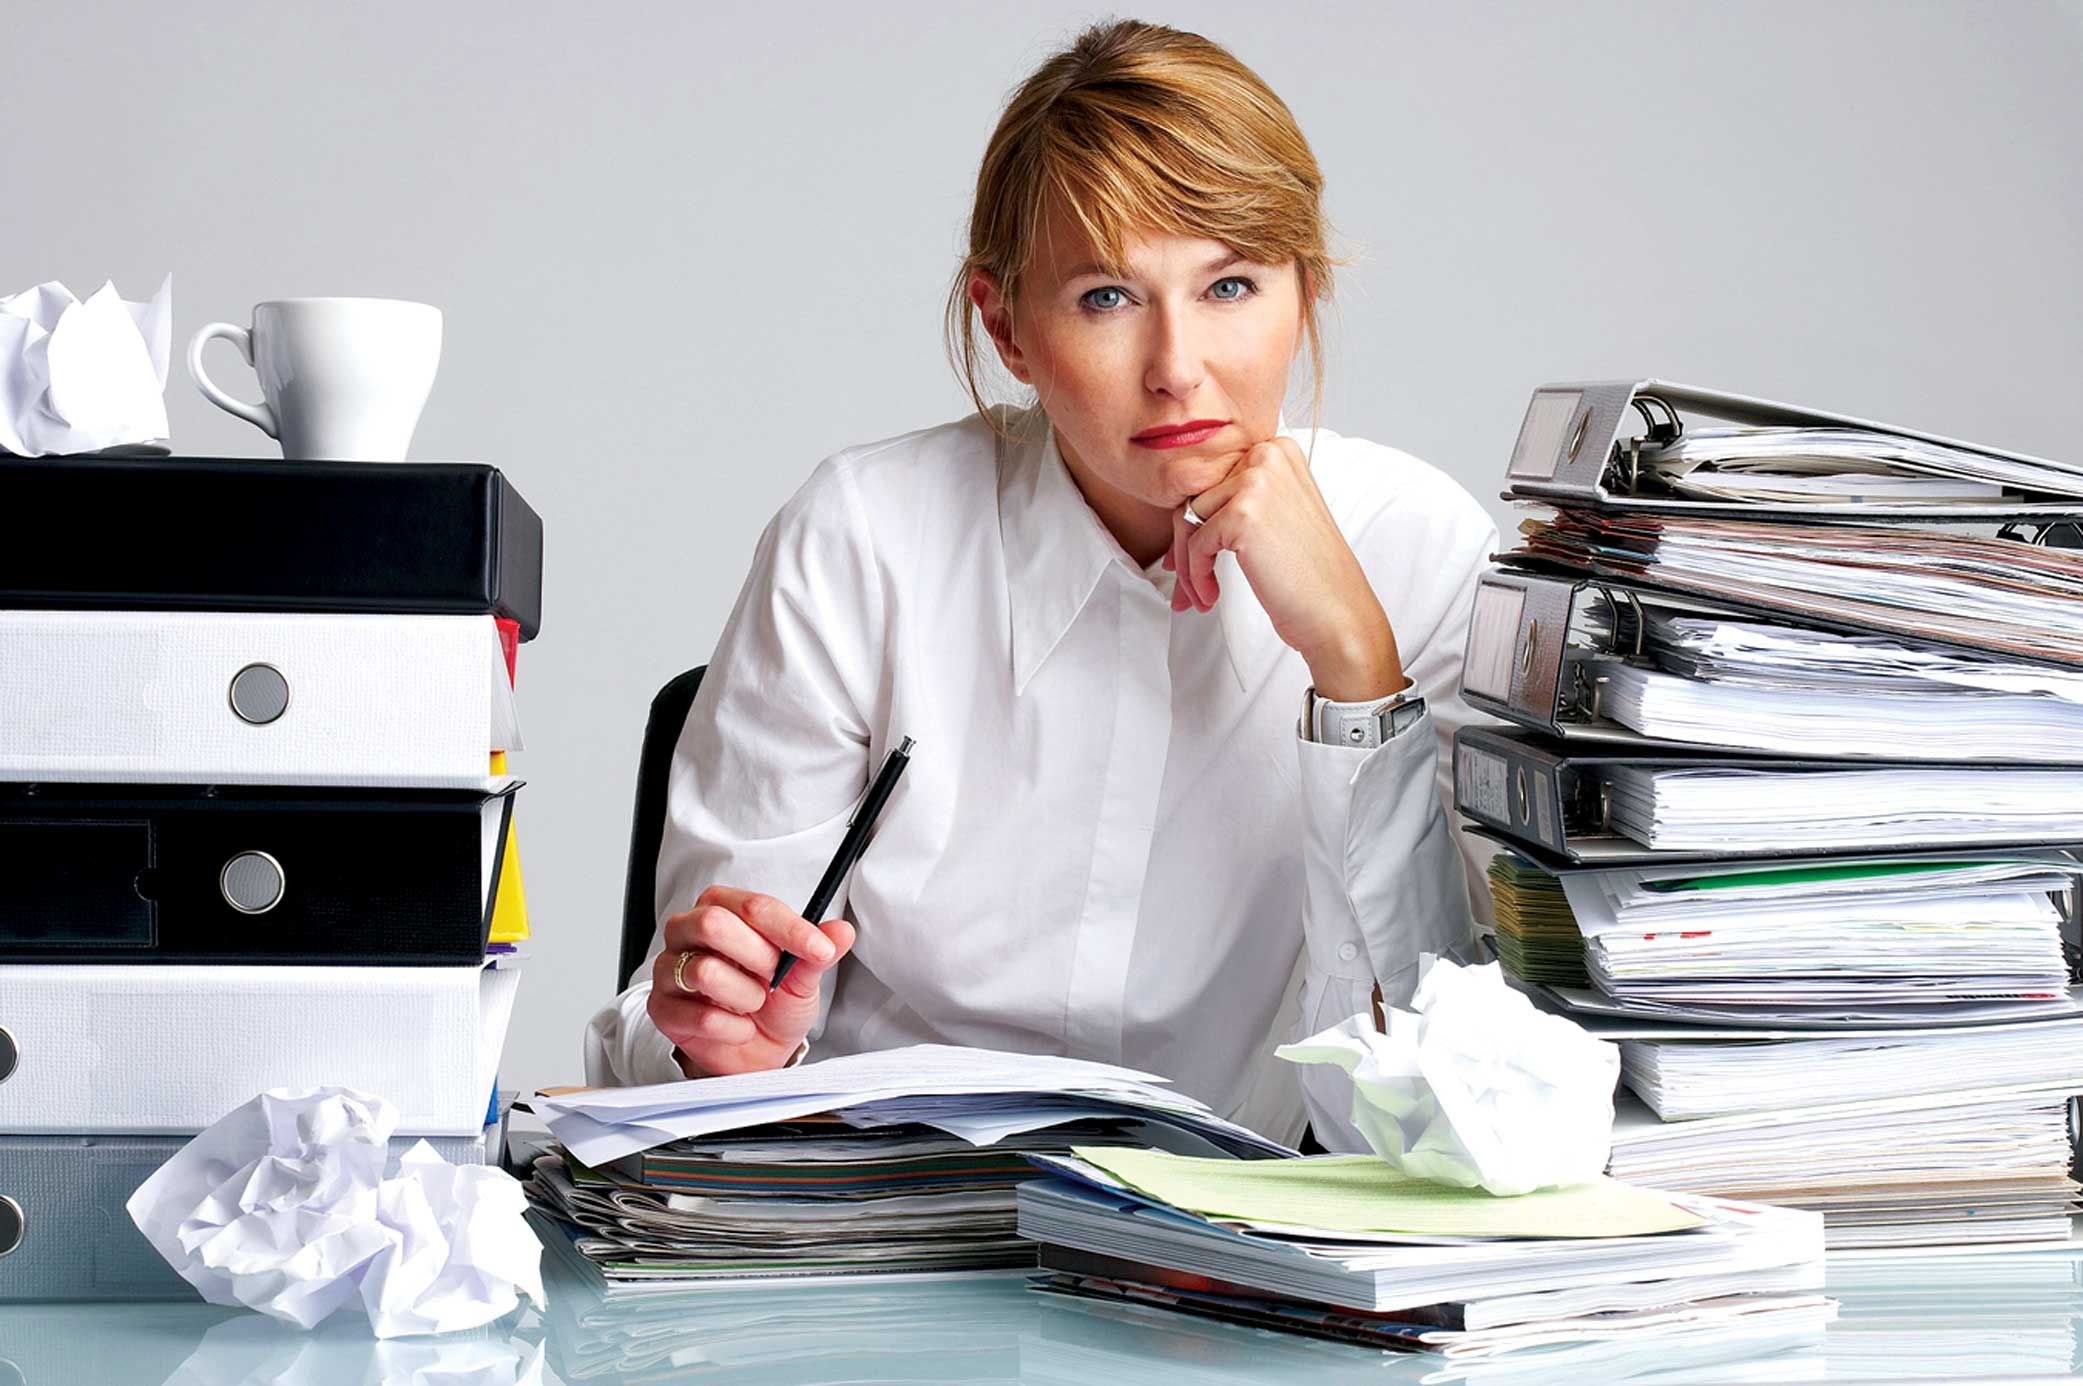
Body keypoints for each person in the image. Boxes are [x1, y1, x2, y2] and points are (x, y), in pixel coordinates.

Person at [585, 18, 1500, 1149]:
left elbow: (1429, 1120)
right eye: (1107, 298)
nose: (1177, 368)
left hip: (1210, 1269)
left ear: (1303, 293)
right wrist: (718, 1038)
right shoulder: (864, 538)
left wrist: (1357, 674)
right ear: (1005, 325)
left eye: (1229, 284)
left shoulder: (1415, 548)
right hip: (873, 1231)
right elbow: (669, 1028)